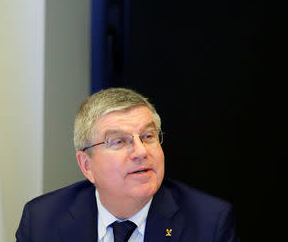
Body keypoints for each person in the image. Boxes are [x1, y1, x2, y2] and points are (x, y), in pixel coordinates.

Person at [16, 87, 239, 241]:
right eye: (119, 141)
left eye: (148, 136)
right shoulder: (42, 220)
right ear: (87, 165)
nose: (141, 152)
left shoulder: (208, 223)